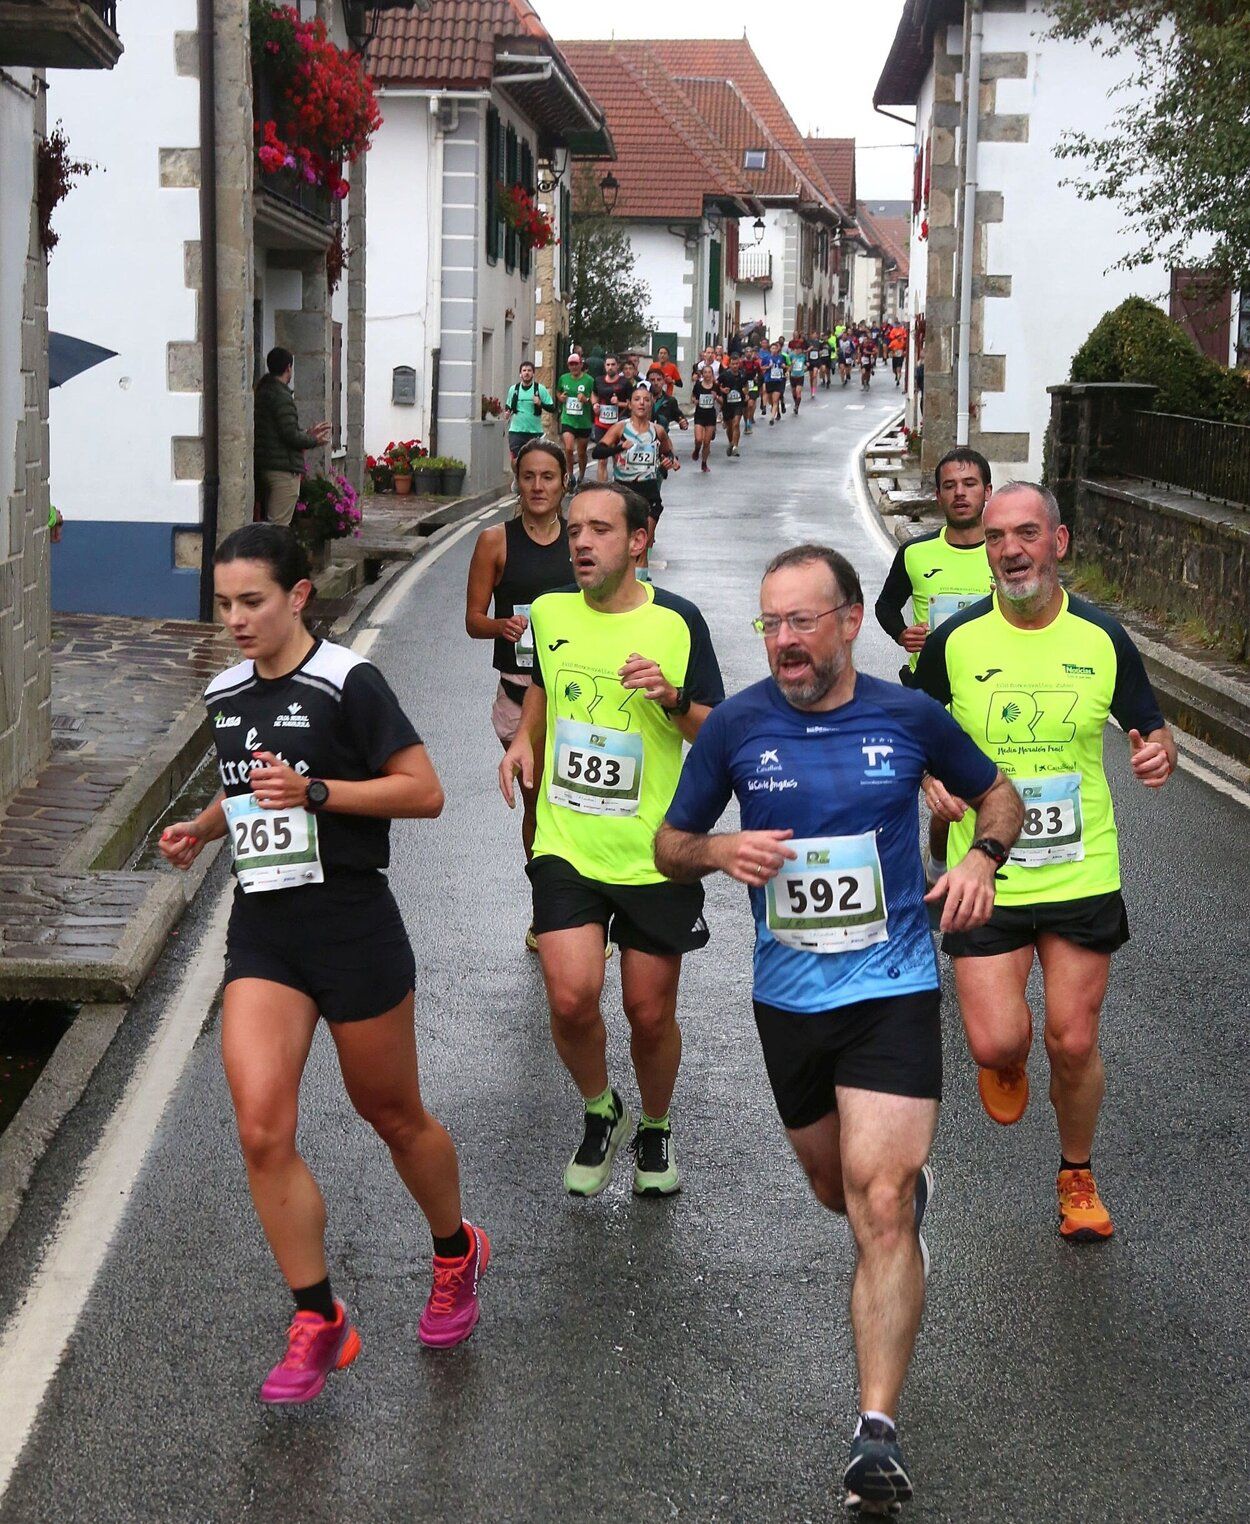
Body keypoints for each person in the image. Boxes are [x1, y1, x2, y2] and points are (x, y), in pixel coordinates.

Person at [655, 544, 1021, 1516]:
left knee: (881, 1198)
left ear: (849, 621)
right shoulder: (735, 727)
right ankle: (892, 1214)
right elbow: (667, 845)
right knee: (837, 1191)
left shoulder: (905, 716)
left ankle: (873, 1435)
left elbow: (997, 792)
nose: (782, 641)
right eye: (769, 623)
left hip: (893, 985)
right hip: (787, 1002)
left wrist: (981, 857)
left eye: (800, 621)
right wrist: (718, 847)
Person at [159, 523, 488, 1405]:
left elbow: (423, 791)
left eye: (252, 601)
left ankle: (456, 1249)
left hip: (351, 922)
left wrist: (316, 791)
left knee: (392, 1113)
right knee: (262, 1127)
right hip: (265, 931)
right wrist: (204, 826)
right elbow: (247, 785)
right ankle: (318, 1317)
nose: (235, 619)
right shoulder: (227, 693)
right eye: (224, 603)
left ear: (298, 595)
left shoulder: (349, 682)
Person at [913, 482, 1175, 1242]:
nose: (1010, 550)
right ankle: (1007, 1057)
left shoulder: (1103, 637)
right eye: (996, 537)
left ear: (1057, 543)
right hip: (984, 873)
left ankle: (1076, 1173)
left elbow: (1154, 731)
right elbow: (916, 737)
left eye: (1026, 533)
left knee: (1074, 1037)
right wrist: (931, 778)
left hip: (1079, 868)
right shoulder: (954, 642)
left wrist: (1160, 755)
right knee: (998, 1040)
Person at [498, 485, 724, 1199]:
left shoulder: (679, 622)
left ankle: (655, 1126)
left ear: (639, 539)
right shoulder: (551, 613)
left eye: (599, 529)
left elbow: (715, 732)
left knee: (649, 1014)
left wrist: (672, 699)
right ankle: (602, 1109)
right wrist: (522, 744)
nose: (581, 543)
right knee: (570, 999)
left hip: (655, 851)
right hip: (567, 841)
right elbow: (540, 684)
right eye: (573, 530)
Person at [875, 448, 995, 887]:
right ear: (938, 496)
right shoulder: (916, 553)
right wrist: (902, 633)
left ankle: (971, 863)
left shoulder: (1003, 553)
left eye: (969, 484)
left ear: (987, 492)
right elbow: (885, 606)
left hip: (991, 688)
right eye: (950, 486)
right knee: (947, 791)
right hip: (931, 695)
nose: (960, 494)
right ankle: (940, 862)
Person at [465, 439, 573, 905]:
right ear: (518, 480)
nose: (538, 486)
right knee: (540, 804)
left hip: (575, 696)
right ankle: (545, 907)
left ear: (564, 482)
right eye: (529, 476)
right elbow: (473, 621)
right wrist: (501, 625)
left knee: (573, 806)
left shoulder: (580, 539)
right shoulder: (495, 541)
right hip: (518, 694)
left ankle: (578, 905)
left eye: (548, 477)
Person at [592, 384, 680, 574]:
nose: (642, 403)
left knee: (642, 549)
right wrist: (619, 448)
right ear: (630, 404)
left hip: (649, 492)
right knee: (624, 548)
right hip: (623, 492)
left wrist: (668, 462)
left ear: (652, 404)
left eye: (646, 399)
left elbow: (669, 454)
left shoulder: (658, 431)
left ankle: (641, 593)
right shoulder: (620, 429)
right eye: (637, 399)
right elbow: (598, 452)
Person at [254, 347, 331, 526]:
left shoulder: (263, 391)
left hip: (266, 463)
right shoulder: (281, 395)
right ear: (289, 367)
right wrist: (313, 440)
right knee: (278, 527)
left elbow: (278, 431)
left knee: (269, 525)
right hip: (282, 469)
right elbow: (289, 435)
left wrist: (306, 433)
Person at [505, 361, 556, 465]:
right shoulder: (513, 389)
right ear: (520, 374)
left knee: (534, 461)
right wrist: (507, 412)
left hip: (534, 431)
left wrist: (540, 403)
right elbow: (508, 406)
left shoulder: (539, 389)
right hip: (516, 431)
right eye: (524, 371)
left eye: (529, 371)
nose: (526, 373)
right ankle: (518, 477)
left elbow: (552, 408)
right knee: (516, 460)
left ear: (533, 374)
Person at [556, 352, 595, 486]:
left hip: (584, 422)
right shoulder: (563, 378)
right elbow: (558, 392)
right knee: (568, 448)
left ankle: (582, 476)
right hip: (568, 419)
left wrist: (586, 400)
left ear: (581, 365)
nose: (573, 367)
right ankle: (570, 475)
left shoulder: (589, 380)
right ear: (568, 366)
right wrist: (560, 398)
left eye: (576, 364)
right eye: (571, 364)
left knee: (581, 452)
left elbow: (594, 399)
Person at [592, 355, 633, 483]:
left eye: (613, 364)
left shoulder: (624, 383)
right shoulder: (598, 381)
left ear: (617, 366)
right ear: (605, 366)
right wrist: (595, 405)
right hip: (601, 424)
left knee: (617, 457)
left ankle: (617, 485)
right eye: (608, 365)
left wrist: (619, 403)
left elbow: (631, 404)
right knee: (602, 459)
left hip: (618, 425)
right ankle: (601, 489)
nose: (610, 367)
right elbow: (594, 394)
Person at [691, 363, 720, 471]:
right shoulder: (698, 385)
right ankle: (696, 449)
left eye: (709, 372)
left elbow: (722, 401)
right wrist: (695, 401)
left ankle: (704, 463)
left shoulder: (715, 386)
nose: (707, 375)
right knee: (699, 439)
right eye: (705, 372)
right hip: (699, 415)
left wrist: (716, 397)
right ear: (702, 374)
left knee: (707, 442)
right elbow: (693, 397)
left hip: (710, 416)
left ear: (712, 374)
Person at [717, 356, 747, 457]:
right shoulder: (724, 375)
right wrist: (722, 390)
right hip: (727, 404)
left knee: (736, 424)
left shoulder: (742, 374)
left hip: (738, 403)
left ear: (739, 364)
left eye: (737, 364)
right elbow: (717, 385)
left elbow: (746, 385)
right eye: (733, 364)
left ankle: (735, 447)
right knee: (730, 426)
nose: (735, 366)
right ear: (729, 364)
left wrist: (746, 393)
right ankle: (731, 442)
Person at [763, 340, 788, 425]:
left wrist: (784, 367)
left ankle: (772, 418)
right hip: (769, 380)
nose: (774, 350)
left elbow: (785, 366)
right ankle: (773, 411)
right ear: (770, 349)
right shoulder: (766, 358)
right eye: (772, 348)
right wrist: (768, 367)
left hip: (778, 380)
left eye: (775, 348)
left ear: (777, 349)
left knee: (775, 400)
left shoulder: (781, 358)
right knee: (770, 400)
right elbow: (762, 368)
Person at [740, 345, 762, 434]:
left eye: (750, 351)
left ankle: (749, 422)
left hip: (753, 385)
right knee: (745, 406)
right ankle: (746, 423)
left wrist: (758, 381)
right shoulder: (741, 364)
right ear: (745, 353)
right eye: (747, 352)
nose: (749, 353)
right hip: (744, 386)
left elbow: (760, 374)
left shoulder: (756, 364)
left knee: (750, 404)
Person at [788, 340, 808, 414]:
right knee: (794, 392)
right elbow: (788, 365)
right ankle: (795, 402)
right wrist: (790, 365)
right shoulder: (791, 356)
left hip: (800, 376)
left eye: (799, 349)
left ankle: (796, 406)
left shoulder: (803, 356)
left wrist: (806, 368)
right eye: (796, 349)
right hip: (793, 376)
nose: (798, 351)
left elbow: (807, 364)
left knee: (798, 392)